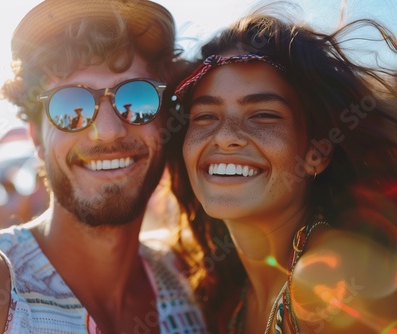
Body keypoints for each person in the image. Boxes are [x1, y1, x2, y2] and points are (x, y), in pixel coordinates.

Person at [0, 0, 207, 333]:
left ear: (164, 122)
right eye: (69, 104)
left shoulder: (193, 280)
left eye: (137, 98)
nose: (108, 131)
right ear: (37, 139)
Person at [169, 5, 397, 334]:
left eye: (263, 115)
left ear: (316, 152)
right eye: (205, 116)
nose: (225, 137)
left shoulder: (338, 289)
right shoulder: (226, 292)